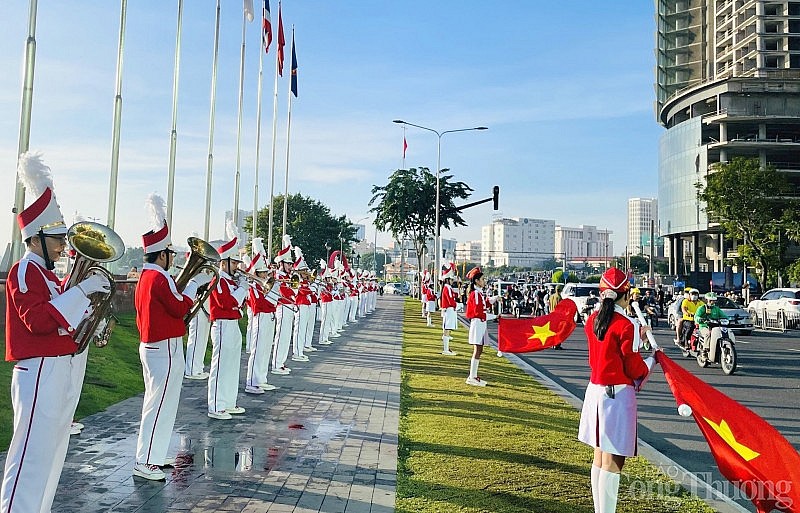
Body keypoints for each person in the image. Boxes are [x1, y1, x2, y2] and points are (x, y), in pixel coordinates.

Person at [2, 152, 110, 511]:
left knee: (51, 454)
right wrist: (81, 291)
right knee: (30, 456)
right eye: (59, 240)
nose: (65, 247)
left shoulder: (49, 276)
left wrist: (93, 312)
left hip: (59, 367)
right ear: (36, 239)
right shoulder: (24, 270)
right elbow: (38, 320)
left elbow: (66, 319)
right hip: (38, 370)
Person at [133, 194, 211, 480]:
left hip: (157, 345)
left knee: (160, 403)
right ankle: (145, 461)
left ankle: (152, 454)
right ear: (162, 254)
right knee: (159, 404)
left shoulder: (148, 275)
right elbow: (179, 306)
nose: (174, 259)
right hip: (163, 347)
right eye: (171, 254)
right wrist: (192, 286)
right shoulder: (158, 276)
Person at [578, 267, 656, 513]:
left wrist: (639, 338)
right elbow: (633, 367)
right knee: (614, 460)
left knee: (599, 457)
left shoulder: (593, 320)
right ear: (626, 295)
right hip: (617, 395)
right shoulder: (627, 324)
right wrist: (652, 358)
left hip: (595, 392)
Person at [207, 222, 250, 420]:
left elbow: (237, 305)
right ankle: (216, 405)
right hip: (222, 324)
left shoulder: (230, 281)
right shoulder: (218, 279)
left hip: (232, 324)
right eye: (234, 263)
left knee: (232, 365)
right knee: (221, 365)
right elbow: (227, 302)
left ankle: (229, 402)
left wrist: (242, 289)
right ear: (224, 262)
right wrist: (242, 289)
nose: (237, 267)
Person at [464, 267, 499, 386]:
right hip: (478, 323)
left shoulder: (478, 293)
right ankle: (472, 376)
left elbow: (484, 305)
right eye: (482, 279)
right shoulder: (476, 294)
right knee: (477, 350)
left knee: (479, 350)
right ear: (477, 281)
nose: (484, 281)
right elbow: (479, 312)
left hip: (480, 324)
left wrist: (494, 299)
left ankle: (473, 376)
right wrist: (494, 317)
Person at [272, 235, 297, 375]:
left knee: (286, 336)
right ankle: (276, 364)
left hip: (289, 307)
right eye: (288, 263)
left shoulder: (287, 277)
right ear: (281, 263)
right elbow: (284, 292)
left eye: (290, 263)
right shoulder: (278, 277)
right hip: (282, 307)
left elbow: (294, 291)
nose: (290, 266)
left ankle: (281, 362)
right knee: (281, 336)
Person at [439, 262, 459, 356]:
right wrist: (457, 305)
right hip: (449, 310)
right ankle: (446, 349)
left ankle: (447, 348)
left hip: (448, 310)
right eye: (451, 279)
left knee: (447, 329)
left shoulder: (447, 288)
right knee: (447, 329)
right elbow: (451, 300)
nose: (452, 281)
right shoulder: (447, 288)